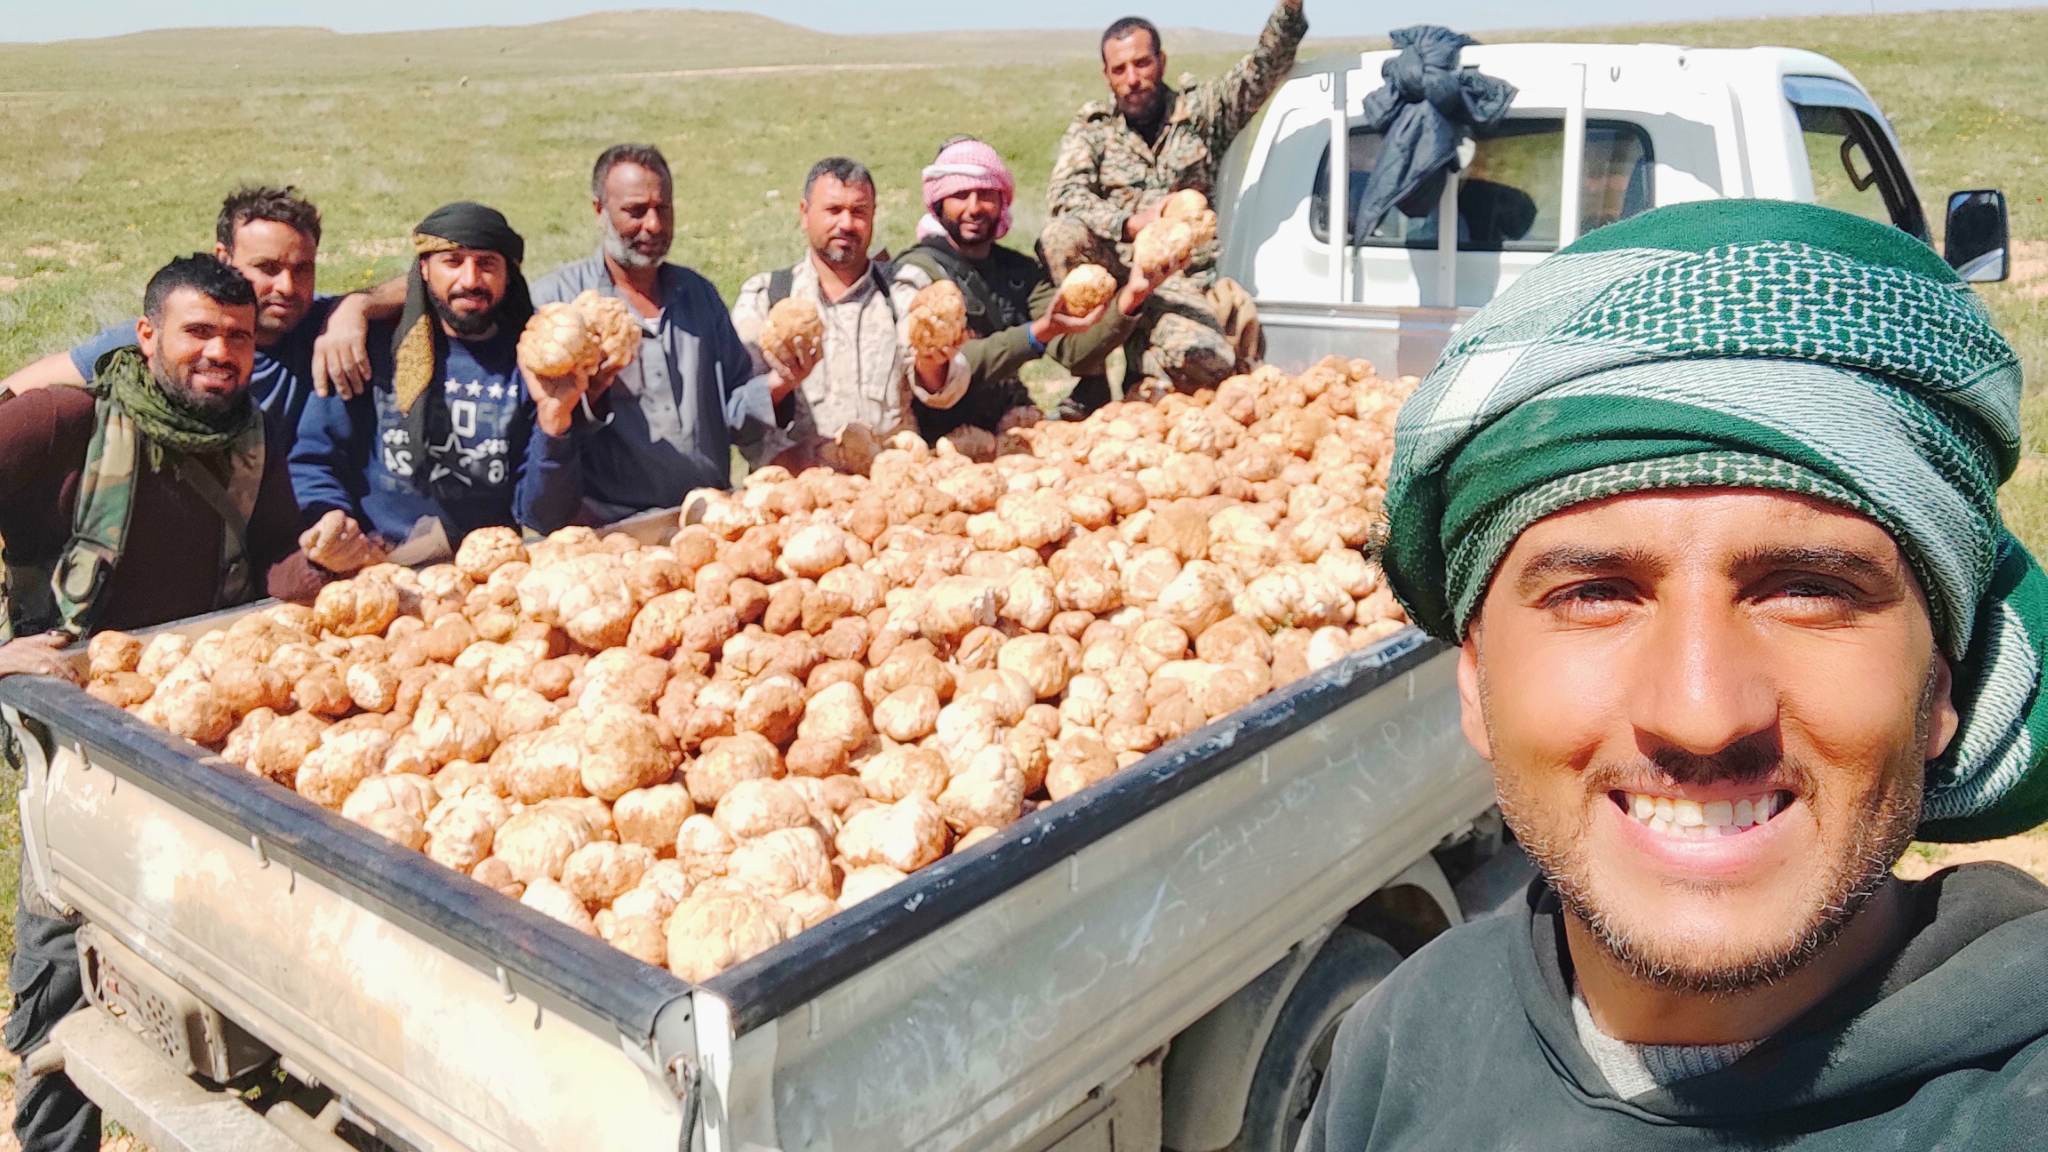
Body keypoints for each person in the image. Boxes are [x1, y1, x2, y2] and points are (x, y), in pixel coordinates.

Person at [1298, 200, 2048, 1149]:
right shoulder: (1400, 1046)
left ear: (1941, 684)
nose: (1701, 714)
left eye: (1808, 590)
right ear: (1476, 682)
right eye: (1596, 593)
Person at [0, 255, 365, 1152]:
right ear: (147, 336)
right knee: (63, 937)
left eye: (238, 338)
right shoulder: (62, 426)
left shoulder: (248, 436)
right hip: (76, 735)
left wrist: (325, 564)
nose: (220, 354)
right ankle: (52, 1135)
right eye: (199, 332)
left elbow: (275, 561)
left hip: (193, 728)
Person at [0, 186, 397, 449]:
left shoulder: (320, 323)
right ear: (224, 258)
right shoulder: (173, 339)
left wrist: (356, 306)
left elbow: (427, 279)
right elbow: (21, 388)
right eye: (268, 267)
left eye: (302, 269)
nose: (287, 287)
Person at [1042, 2, 1307, 392]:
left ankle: (1145, 359)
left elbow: (1264, 67)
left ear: (1161, 62)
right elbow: (1065, 194)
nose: (1132, 78)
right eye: (1120, 70)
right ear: (1107, 76)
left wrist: (1289, 8)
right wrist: (1129, 224)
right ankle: (1091, 379)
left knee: (1210, 364)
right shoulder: (1094, 131)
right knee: (1060, 235)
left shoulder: (1200, 114)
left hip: (1178, 281)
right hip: (1119, 269)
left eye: (1142, 64)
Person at [291, 202, 583, 552]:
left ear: (509, 274)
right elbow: (314, 457)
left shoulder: (533, 363)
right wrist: (330, 516)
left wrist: (554, 422)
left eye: (487, 264)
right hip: (374, 562)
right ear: (425, 269)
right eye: (453, 262)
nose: (470, 280)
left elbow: (544, 517)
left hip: (485, 569)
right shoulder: (374, 348)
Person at [531, 144, 792, 523]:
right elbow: (543, 439)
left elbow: (734, 408)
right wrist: (589, 395)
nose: (652, 225)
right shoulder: (559, 307)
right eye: (635, 212)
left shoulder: (697, 295)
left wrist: (780, 383)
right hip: (611, 529)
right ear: (599, 211)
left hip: (706, 518)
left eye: (662, 209)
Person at [893, 137, 1161, 434]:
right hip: (939, 440)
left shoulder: (1016, 272)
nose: (974, 208)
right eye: (960, 195)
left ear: (1001, 201)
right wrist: (1036, 334)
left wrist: (1133, 295)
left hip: (1009, 428)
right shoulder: (916, 274)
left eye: (985, 194)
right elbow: (945, 369)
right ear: (939, 203)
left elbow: (1075, 351)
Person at [731, 157, 965, 455]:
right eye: (833, 210)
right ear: (804, 213)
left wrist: (933, 362)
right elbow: (736, 407)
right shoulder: (767, 297)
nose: (846, 224)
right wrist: (783, 382)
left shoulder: (906, 289)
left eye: (858, 212)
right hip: (798, 488)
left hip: (889, 478)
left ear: (873, 216)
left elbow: (944, 389)